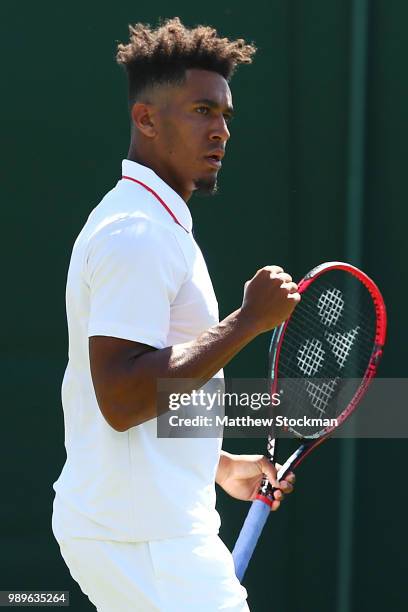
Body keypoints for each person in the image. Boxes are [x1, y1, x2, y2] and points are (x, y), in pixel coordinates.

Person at [52, 17, 300, 611]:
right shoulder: (136, 232)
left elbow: (140, 388)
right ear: (146, 119)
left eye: (225, 116)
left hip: (138, 527)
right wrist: (247, 322)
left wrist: (215, 465)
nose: (220, 131)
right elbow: (121, 395)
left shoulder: (154, 225)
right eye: (201, 111)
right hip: (144, 538)